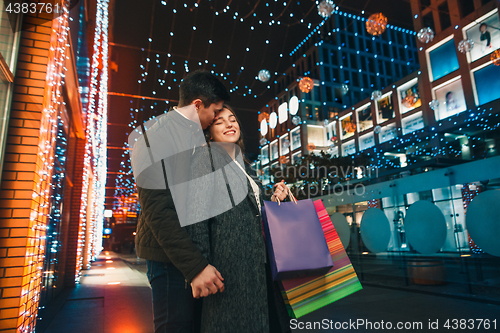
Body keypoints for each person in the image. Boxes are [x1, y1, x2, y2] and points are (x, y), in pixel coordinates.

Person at [131, 70, 230, 333]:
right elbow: (157, 212)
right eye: (215, 111)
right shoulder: (155, 138)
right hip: (168, 259)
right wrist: (196, 267)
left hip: (193, 254)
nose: (216, 118)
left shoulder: (195, 136)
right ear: (198, 104)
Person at [185, 105, 292, 333]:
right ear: (208, 131)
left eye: (232, 119)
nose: (229, 124)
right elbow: (196, 218)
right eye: (219, 121)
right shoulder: (205, 159)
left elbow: (253, 213)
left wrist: (273, 199)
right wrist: (200, 266)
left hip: (261, 270)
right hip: (229, 272)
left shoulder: (245, 166)